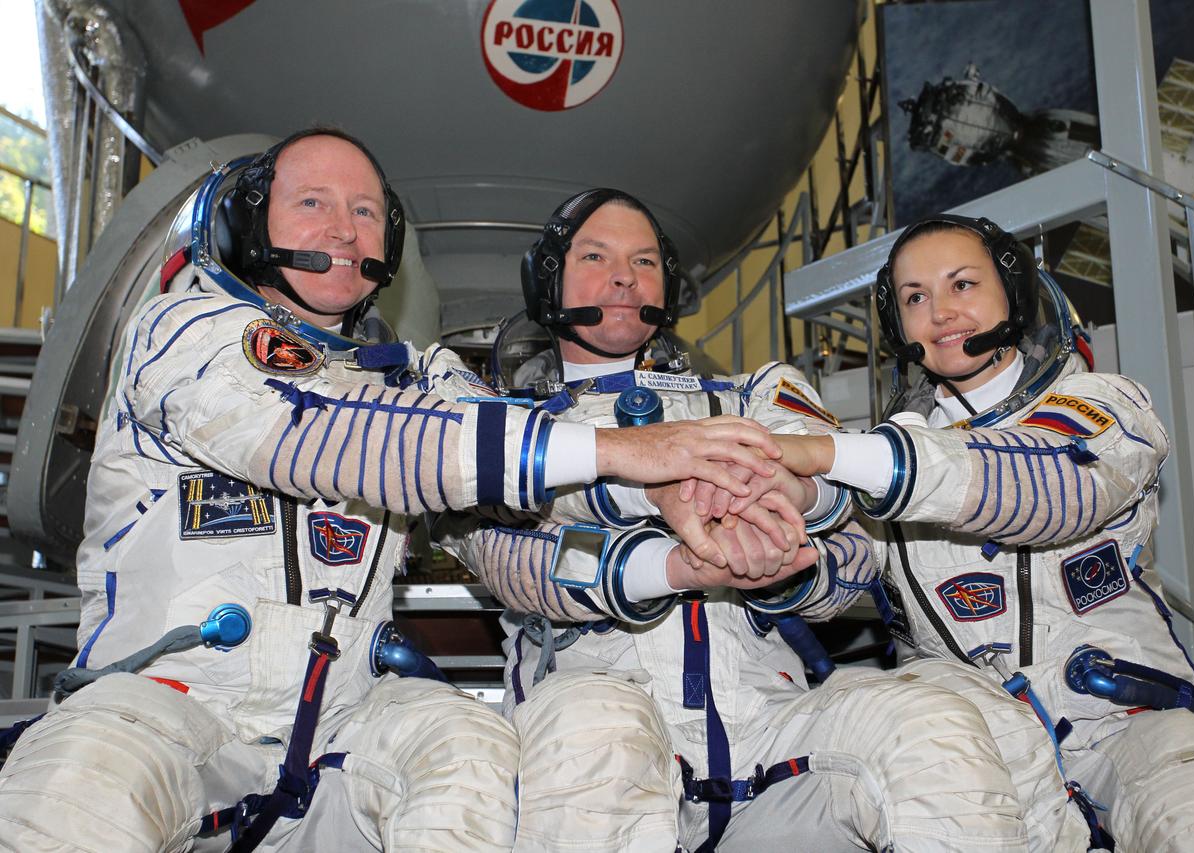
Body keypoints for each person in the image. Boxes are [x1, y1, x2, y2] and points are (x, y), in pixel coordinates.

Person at [0, 131, 785, 853]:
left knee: (468, 751)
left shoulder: (420, 376)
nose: (344, 228)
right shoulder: (183, 332)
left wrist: (669, 492)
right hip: (170, 705)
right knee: (81, 783)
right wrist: (625, 450)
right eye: (314, 203)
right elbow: (327, 436)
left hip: (343, 719)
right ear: (245, 227)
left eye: (366, 210)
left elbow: (515, 474)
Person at [437, 190, 1050, 852]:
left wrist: (786, 555)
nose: (623, 276)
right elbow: (520, 559)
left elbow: (851, 545)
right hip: (602, 736)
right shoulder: (500, 428)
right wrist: (664, 541)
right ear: (546, 276)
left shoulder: (753, 397)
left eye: (643, 259)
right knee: (596, 728)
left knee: (929, 725)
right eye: (595, 255)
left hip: (768, 729)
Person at [772, 213, 1194, 851]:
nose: (941, 312)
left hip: (1133, 728)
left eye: (963, 284)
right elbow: (834, 577)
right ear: (897, 325)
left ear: (1011, 295)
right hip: (980, 757)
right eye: (915, 298)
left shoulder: (1104, 407)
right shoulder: (878, 462)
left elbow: (1048, 488)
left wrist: (831, 455)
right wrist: (776, 545)